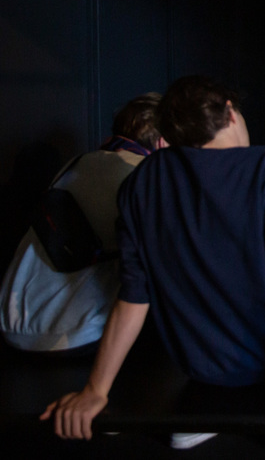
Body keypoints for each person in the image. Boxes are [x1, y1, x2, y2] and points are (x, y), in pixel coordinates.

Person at [41, 76, 265, 455]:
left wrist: (95, 390)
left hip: (201, 367)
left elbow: (134, 295)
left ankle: (222, 412)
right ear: (231, 112)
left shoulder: (144, 181)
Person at [0, 93, 166, 354]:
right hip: (72, 335)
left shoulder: (74, 164)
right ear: (162, 141)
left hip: (11, 325)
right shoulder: (146, 176)